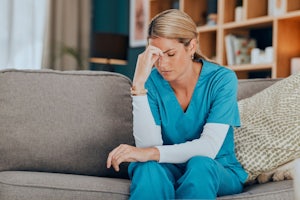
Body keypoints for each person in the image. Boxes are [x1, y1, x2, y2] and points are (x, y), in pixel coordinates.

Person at [107, 9, 248, 199]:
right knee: (147, 168)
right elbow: (148, 146)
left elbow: (208, 147)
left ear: (191, 47)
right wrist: (139, 86)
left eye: (170, 54)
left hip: (216, 168)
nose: (162, 64)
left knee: (200, 164)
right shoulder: (152, 81)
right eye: (156, 55)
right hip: (168, 168)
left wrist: (149, 153)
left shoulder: (222, 79)